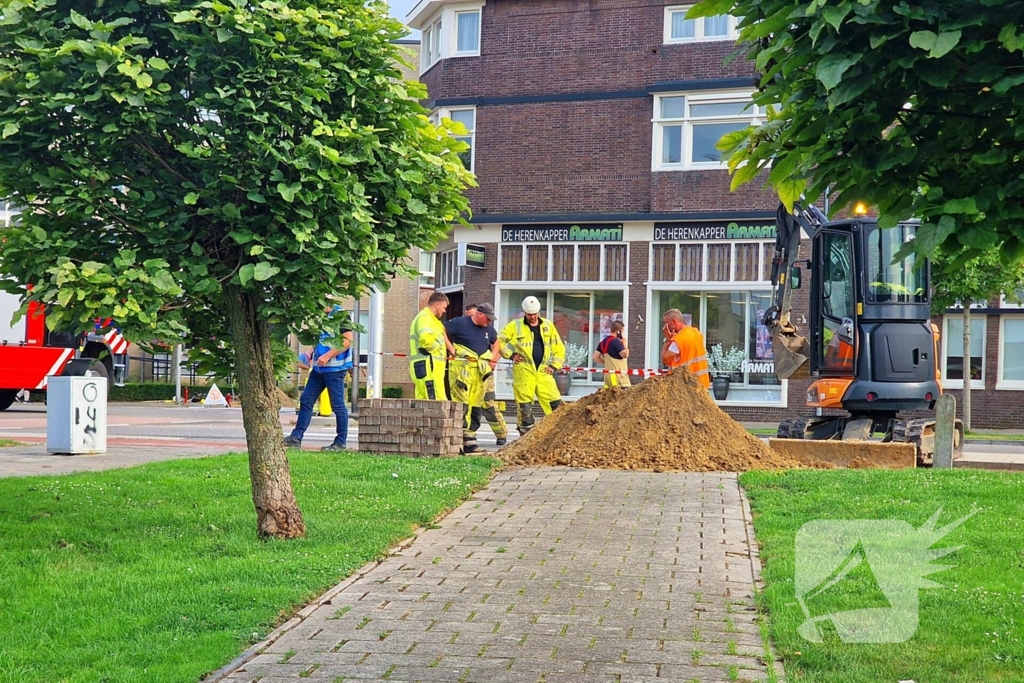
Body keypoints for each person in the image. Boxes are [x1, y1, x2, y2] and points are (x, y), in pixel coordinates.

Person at [283, 309, 354, 451]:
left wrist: (328, 355)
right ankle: (296, 438)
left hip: (335, 369)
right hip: (318, 369)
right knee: (306, 401)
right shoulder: (319, 316)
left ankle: (340, 443)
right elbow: (319, 342)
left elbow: (347, 340)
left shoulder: (340, 315)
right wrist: (308, 355)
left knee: (338, 405)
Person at [445, 303, 508, 453]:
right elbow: (441, 330)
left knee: (476, 407)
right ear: (479, 314)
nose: (489, 322)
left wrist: (492, 358)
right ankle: (459, 441)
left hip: (479, 375)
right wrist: (451, 349)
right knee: (462, 406)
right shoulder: (460, 323)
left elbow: (496, 342)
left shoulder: (488, 329)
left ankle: (470, 443)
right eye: (488, 318)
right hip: (463, 374)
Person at [498, 296, 565, 435]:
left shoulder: (547, 325)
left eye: (535, 314)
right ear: (524, 312)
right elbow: (498, 341)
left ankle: (559, 431)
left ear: (538, 312)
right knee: (524, 405)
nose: (533, 317)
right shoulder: (515, 326)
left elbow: (559, 347)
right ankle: (525, 433)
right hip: (524, 369)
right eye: (529, 314)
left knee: (554, 401)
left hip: (543, 370)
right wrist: (510, 355)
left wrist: (554, 366)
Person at [409, 292, 453, 400]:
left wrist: (451, 350)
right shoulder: (426, 318)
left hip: (426, 367)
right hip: (429, 368)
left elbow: (442, 335)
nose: (444, 311)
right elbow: (426, 342)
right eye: (444, 307)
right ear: (437, 305)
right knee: (434, 403)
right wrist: (437, 349)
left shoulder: (431, 320)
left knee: (424, 401)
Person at [661, 308, 710, 388]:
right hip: (701, 384)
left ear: (673, 322)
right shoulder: (695, 333)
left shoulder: (679, 340)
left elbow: (664, 359)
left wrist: (667, 339)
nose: (665, 327)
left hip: (686, 386)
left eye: (666, 323)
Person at [593, 320, 631, 388]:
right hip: (618, 377)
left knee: (610, 396)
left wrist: (607, 363)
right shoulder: (616, 342)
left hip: (608, 376)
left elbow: (595, 358)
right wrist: (625, 344)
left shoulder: (602, 343)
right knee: (621, 395)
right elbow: (625, 354)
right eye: (622, 331)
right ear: (618, 331)